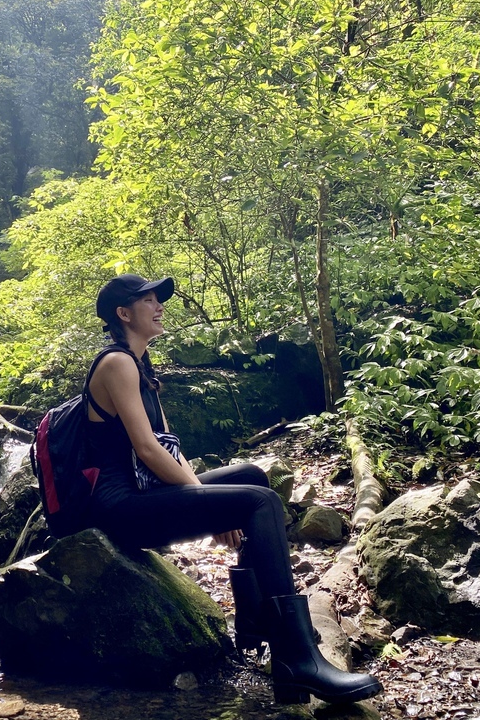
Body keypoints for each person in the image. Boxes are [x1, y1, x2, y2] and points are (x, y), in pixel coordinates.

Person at [82, 272, 382, 706]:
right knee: (258, 502)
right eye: (148, 300)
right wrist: (206, 505)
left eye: (157, 298)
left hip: (145, 495)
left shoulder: (141, 367)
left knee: (252, 477)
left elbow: (169, 446)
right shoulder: (116, 363)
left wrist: (206, 503)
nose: (159, 305)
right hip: (121, 507)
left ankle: (257, 622)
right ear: (124, 313)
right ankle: (296, 658)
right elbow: (146, 450)